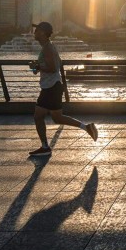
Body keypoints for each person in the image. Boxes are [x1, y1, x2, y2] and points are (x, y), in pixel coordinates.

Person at [28, 22, 99, 157]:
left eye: (36, 30)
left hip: (50, 87)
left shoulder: (48, 48)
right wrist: (38, 66)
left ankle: (45, 147)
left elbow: (53, 68)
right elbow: (56, 65)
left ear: (42, 32)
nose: (35, 32)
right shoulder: (49, 47)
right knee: (57, 117)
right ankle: (87, 127)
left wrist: (38, 67)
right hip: (54, 86)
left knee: (38, 116)